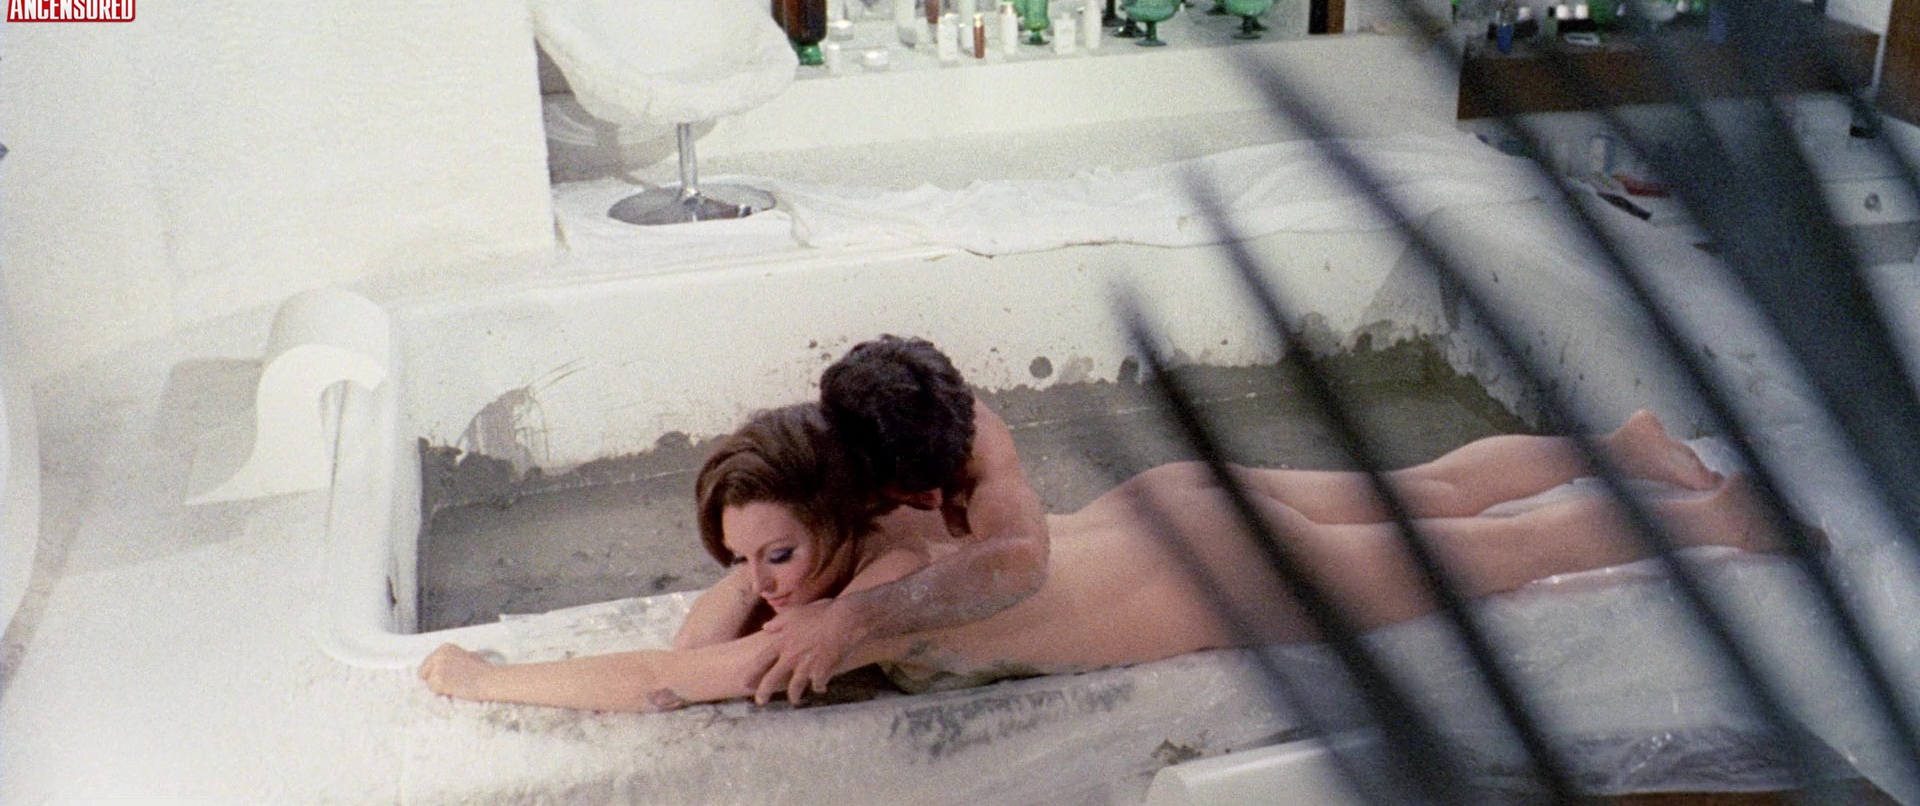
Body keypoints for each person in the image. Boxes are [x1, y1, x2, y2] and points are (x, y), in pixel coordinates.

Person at [419, 402, 1783, 713]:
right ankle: (1627, 444)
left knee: (1497, 556)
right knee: (1428, 489)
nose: (766, 581)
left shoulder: (874, 604)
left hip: (1235, 575)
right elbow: (708, 631)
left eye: (779, 551)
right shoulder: (879, 517)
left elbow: (670, 677)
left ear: (829, 520)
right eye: (745, 558)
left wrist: (480, 680)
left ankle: (1721, 520)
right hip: (1170, 510)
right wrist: (756, 560)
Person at [744, 336, 1049, 705]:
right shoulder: (831, 453)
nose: (936, 501)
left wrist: (853, 616)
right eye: (912, 491)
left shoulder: (974, 434)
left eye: (947, 480)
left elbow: (1023, 559)